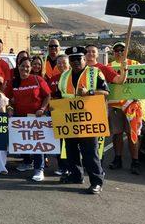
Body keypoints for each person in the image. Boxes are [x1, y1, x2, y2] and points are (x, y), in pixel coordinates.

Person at [57, 46, 109, 194]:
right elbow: (59, 96)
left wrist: (89, 92)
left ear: (84, 59)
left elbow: (105, 92)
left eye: (78, 58)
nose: (75, 62)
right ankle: (76, 176)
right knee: (71, 151)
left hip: (88, 120)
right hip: (70, 121)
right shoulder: (64, 76)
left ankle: (97, 182)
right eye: (72, 59)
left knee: (90, 153)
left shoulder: (94, 73)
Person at [7, 57, 51, 181]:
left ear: (31, 68)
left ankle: (39, 169)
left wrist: (42, 109)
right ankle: (27, 163)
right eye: (22, 66)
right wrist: (10, 107)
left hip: (36, 117)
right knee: (24, 142)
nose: (25, 68)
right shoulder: (13, 82)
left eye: (27, 66)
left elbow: (47, 95)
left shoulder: (37, 79)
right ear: (18, 67)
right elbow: (7, 98)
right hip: (20, 117)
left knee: (37, 144)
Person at [106, 41, 145, 175]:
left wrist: (139, 97)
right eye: (116, 50)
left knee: (132, 134)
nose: (119, 52)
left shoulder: (135, 64)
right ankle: (118, 159)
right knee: (117, 134)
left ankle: (135, 161)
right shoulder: (109, 66)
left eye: (122, 50)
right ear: (113, 52)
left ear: (126, 51)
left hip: (131, 106)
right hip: (115, 106)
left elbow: (143, 85)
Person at [47, 54, 71, 176]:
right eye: (59, 63)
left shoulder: (74, 76)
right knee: (60, 142)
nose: (61, 65)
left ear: (69, 63)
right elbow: (49, 95)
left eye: (64, 62)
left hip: (72, 115)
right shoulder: (53, 78)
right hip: (58, 114)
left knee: (71, 143)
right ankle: (62, 166)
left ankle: (72, 166)